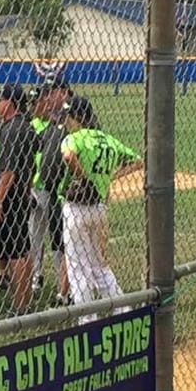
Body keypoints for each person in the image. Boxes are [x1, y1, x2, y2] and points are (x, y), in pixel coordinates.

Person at [60, 96, 143, 312]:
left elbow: (68, 156)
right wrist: (112, 177)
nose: (67, 120)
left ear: (77, 117)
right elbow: (138, 161)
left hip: (76, 209)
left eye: (69, 116)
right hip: (99, 208)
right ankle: (122, 310)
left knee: (78, 267)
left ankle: (86, 318)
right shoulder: (108, 140)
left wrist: (83, 176)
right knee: (100, 265)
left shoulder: (74, 138)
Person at [0, 83, 40, 314]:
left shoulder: (12, 130)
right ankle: (24, 301)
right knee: (23, 248)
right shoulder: (27, 127)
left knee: (17, 252)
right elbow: (32, 157)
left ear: (10, 103)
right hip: (21, 194)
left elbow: (8, 172)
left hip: (9, 198)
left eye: (0, 99)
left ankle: (20, 306)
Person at [29, 81, 72, 295]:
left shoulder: (74, 114)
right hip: (42, 186)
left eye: (51, 93)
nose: (48, 98)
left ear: (63, 93)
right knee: (42, 236)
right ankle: (45, 280)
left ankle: (65, 287)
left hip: (62, 189)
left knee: (61, 239)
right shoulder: (50, 120)